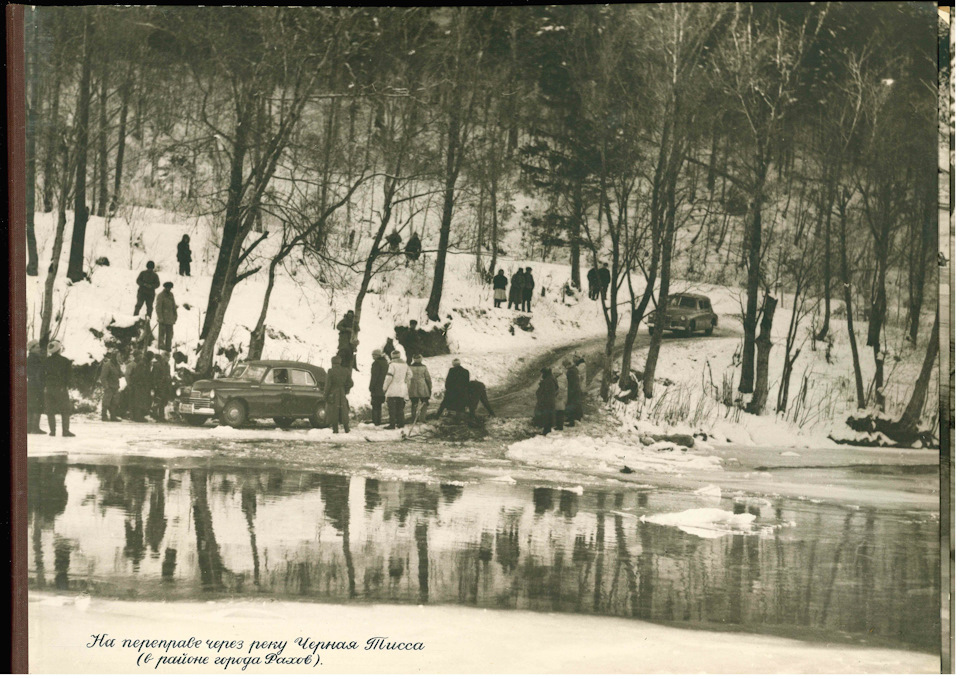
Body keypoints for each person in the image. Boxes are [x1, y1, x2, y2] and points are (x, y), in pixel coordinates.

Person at [44, 340, 74, 437]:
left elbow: (40, 375)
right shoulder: (65, 361)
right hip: (61, 388)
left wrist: (45, 385)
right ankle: (65, 431)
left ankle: (52, 431)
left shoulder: (46, 361)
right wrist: (68, 385)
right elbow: (69, 376)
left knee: (50, 411)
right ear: (59, 349)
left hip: (48, 388)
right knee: (65, 410)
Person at [324, 355, 354, 434]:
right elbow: (350, 383)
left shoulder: (331, 371)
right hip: (342, 393)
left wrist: (325, 395)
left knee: (334, 411)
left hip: (333, 393)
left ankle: (335, 430)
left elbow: (328, 385)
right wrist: (345, 389)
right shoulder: (345, 370)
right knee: (343, 411)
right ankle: (347, 429)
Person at [382, 350, 410, 429]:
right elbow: (410, 374)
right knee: (400, 407)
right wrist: (404, 380)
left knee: (392, 408)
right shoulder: (405, 364)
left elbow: (388, 377)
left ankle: (392, 424)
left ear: (392, 356)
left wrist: (384, 388)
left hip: (392, 388)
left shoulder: (392, 365)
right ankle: (401, 423)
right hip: (401, 388)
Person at [27, 340, 46, 434]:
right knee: (37, 406)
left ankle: (29, 428)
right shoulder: (36, 360)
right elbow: (38, 374)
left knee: (30, 406)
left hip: (30, 385)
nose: (39, 349)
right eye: (37, 347)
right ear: (32, 348)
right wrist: (41, 385)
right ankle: (35, 428)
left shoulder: (28, 358)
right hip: (36, 385)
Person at [406, 354, 432, 422]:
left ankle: (414, 418)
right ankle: (422, 418)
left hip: (413, 386)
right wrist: (429, 387)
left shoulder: (410, 367)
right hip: (422, 386)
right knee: (424, 402)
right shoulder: (424, 367)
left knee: (414, 402)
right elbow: (428, 378)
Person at [129, 351, 154, 422]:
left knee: (142, 400)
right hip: (140, 385)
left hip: (143, 385)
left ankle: (140, 416)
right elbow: (140, 375)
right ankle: (138, 416)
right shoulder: (142, 364)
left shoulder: (145, 363)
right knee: (139, 400)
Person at [99, 350, 122, 422]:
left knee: (114, 402)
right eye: (118, 356)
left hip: (115, 386)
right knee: (106, 402)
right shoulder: (107, 365)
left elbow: (119, 374)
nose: (119, 357)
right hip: (109, 386)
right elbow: (103, 377)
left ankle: (113, 416)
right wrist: (106, 386)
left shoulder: (117, 365)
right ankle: (104, 416)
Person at [534, 367, 558, 436]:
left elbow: (542, 392)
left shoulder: (547, 381)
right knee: (548, 417)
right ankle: (547, 430)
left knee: (546, 417)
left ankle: (546, 431)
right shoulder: (551, 379)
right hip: (550, 401)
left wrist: (541, 385)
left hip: (546, 402)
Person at [369, 349, 389, 426]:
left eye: (374, 355)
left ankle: (375, 422)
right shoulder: (385, 363)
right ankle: (378, 421)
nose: (373, 356)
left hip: (376, 387)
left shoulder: (376, 363)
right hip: (383, 386)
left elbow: (374, 376)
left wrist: (371, 387)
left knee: (375, 405)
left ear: (378, 355)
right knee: (379, 404)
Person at [156, 282, 178, 351]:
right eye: (168, 288)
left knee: (169, 336)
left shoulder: (171, 295)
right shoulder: (160, 295)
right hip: (163, 320)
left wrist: (175, 316)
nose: (169, 289)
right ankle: (160, 350)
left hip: (170, 320)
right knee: (161, 336)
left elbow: (173, 307)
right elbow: (158, 308)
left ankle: (168, 349)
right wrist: (160, 318)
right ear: (165, 287)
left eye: (170, 288)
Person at [151, 353, 173, 421]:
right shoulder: (157, 365)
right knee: (158, 401)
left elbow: (168, 374)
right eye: (168, 357)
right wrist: (155, 385)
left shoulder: (167, 365)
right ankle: (154, 415)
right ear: (164, 357)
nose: (169, 359)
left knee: (163, 401)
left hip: (166, 386)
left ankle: (161, 416)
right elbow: (154, 376)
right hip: (159, 385)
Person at [564, 358, 583, 425]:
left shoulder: (570, 371)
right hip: (576, 390)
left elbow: (571, 382)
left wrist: (570, 391)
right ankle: (577, 418)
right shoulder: (575, 369)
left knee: (572, 404)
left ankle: (572, 420)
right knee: (576, 404)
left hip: (573, 390)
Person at [554, 366, 567, 432]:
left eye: (554, 374)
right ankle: (559, 425)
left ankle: (559, 426)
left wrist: (556, 394)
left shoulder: (560, 379)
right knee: (559, 411)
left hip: (559, 397)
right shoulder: (562, 377)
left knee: (559, 411)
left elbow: (560, 389)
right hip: (561, 397)